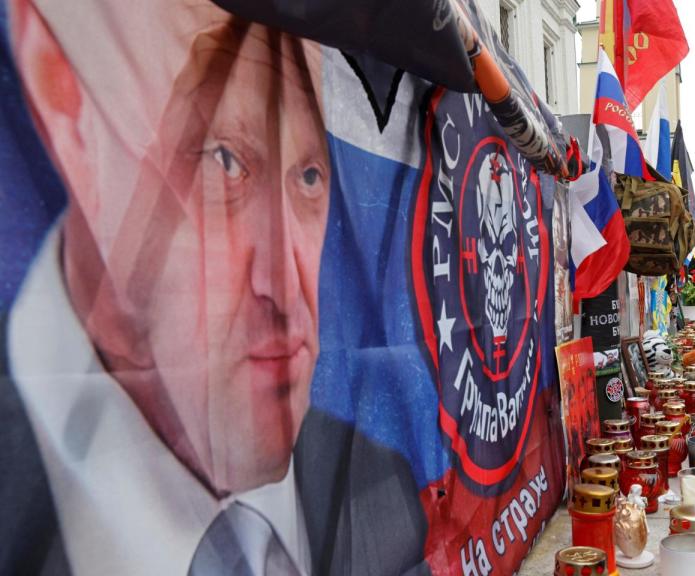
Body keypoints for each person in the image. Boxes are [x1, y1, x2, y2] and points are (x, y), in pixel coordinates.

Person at [0, 1, 427, 574]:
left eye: (309, 176)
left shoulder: (380, 484)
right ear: (65, 97)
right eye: (223, 162)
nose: (284, 288)